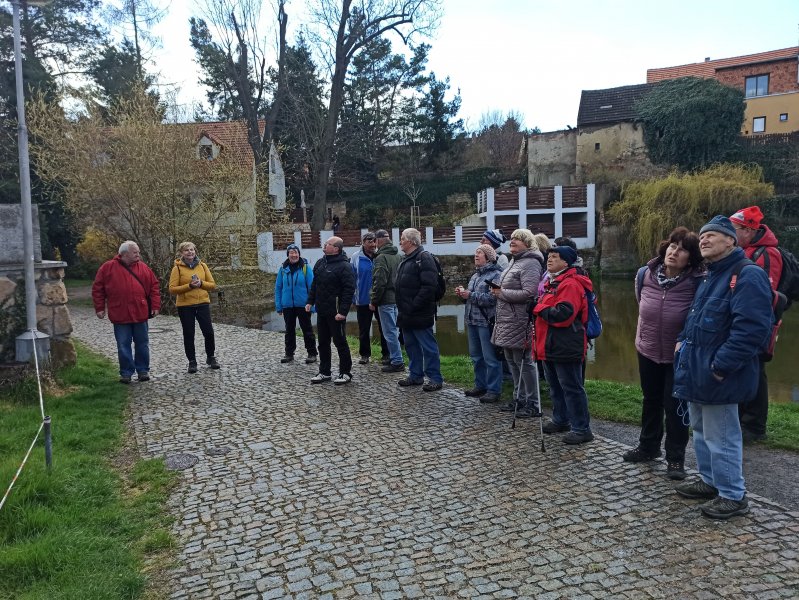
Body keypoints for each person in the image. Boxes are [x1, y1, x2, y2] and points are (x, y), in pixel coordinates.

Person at [673, 215, 773, 520]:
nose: (703, 240)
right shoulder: (710, 275)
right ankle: (710, 481)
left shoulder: (747, 275)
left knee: (723, 435)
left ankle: (732, 494)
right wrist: (681, 342)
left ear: (731, 240)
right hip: (698, 370)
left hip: (719, 374)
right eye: (702, 236)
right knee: (702, 430)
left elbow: (752, 330)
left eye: (712, 235)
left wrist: (720, 366)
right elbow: (696, 320)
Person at [623, 227, 703, 479]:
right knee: (651, 400)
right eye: (672, 246)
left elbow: (697, 315)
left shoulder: (697, 281)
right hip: (647, 349)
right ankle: (648, 447)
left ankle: (675, 458)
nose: (674, 252)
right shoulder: (644, 274)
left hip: (679, 355)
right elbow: (641, 305)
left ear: (690, 258)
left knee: (676, 405)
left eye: (682, 250)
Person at [729, 205, 783, 443]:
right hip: (739, 319)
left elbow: (766, 293)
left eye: (733, 230)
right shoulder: (746, 251)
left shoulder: (767, 254)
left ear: (748, 230)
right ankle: (741, 419)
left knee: (756, 370)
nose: (730, 235)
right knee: (742, 368)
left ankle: (755, 426)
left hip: (758, 323)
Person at [534, 245, 594, 444]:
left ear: (566, 262)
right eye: (548, 256)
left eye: (554, 257)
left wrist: (538, 307)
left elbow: (563, 315)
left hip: (566, 343)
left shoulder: (570, 284)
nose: (549, 260)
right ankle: (561, 419)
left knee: (571, 387)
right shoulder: (553, 282)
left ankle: (581, 428)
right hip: (549, 344)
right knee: (555, 386)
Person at [491, 229, 544, 417]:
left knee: (525, 362)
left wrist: (501, 293)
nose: (512, 241)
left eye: (518, 239)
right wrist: (497, 291)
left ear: (528, 244)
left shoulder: (530, 263)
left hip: (520, 319)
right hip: (506, 319)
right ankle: (519, 398)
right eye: (512, 238)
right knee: (512, 362)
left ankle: (533, 403)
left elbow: (530, 293)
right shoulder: (515, 261)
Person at [92, 240, 161, 383]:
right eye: (135, 252)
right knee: (123, 344)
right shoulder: (107, 268)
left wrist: (155, 306)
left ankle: (143, 370)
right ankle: (126, 373)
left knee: (142, 343)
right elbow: (98, 289)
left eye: (138, 252)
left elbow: (154, 287)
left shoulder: (143, 268)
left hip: (140, 312)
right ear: (124, 254)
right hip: (120, 313)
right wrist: (99, 308)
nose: (138, 254)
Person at [395, 227, 444, 391]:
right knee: (411, 345)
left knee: (428, 347)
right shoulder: (406, 259)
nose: (400, 241)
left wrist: (414, 305)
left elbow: (429, 286)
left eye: (402, 238)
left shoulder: (424, 258)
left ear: (410, 241)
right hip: (406, 313)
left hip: (420, 312)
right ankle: (415, 375)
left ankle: (435, 378)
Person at [456, 244, 504, 402]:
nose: (476, 255)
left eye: (480, 253)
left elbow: (493, 299)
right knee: (476, 356)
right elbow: (472, 297)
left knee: (490, 357)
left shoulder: (497, 275)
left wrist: (469, 295)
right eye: (475, 253)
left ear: (489, 257)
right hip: (471, 320)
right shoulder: (475, 276)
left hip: (486, 321)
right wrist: (462, 294)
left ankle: (494, 389)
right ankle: (480, 385)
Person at [305, 237, 355, 385]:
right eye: (325, 243)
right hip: (322, 310)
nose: (325, 245)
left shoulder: (345, 266)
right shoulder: (321, 263)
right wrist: (310, 301)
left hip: (336, 312)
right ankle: (324, 372)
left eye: (328, 244)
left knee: (340, 342)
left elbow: (349, 290)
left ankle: (345, 372)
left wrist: (343, 312)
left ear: (336, 249)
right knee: (323, 343)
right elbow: (315, 284)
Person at [168, 242, 221, 373]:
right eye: (187, 250)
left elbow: (212, 285)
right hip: (186, 306)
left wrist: (201, 283)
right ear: (182, 253)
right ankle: (192, 361)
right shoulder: (177, 268)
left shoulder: (202, 266)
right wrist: (189, 286)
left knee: (208, 332)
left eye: (192, 250)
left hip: (202, 303)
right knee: (189, 333)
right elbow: (172, 289)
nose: (190, 252)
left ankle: (211, 357)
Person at [274, 243, 317, 365]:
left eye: (295, 252)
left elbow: (312, 287)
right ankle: (289, 354)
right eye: (291, 253)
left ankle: (312, 353)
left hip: (303, 305)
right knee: (289, 330)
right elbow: (278, 288)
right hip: (288, 305)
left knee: (307, 329)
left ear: (299, 254)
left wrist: (312, 305)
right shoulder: (283, 269)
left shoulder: (305, 268)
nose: (293, 255)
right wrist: (279, 306)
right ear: (288, 255)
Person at [369, 229, 404, 373]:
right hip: (398, 298)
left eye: (374, 241)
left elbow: (379, 281)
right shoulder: (398, 255)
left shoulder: (381, 258)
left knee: (389, 332)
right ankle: (397, 357)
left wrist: (374, 300)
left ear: (378, 241)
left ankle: (397, 361)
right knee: (395, 330)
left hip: (386, 300)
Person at [351, 232, 388, 365]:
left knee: (384, 327)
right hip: (362, 299)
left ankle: (386, 354)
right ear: (363, 242)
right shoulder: (356, 257)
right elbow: (352, 278)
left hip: (379, 299)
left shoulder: (380, 256)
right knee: (364, 329)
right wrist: (352, 298)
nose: (372, 244)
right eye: (369, 242)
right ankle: (365, 354)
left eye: (374, 242)